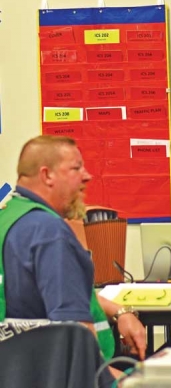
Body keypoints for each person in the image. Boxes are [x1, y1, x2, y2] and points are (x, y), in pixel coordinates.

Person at [0, 135, 146, 384]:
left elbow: (53, 291)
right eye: (76, 168)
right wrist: (112, 379)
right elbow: (75, 331)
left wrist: (120, 311)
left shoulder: (10, 217)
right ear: (47, 175)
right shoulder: (49, 232)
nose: (87, 176)